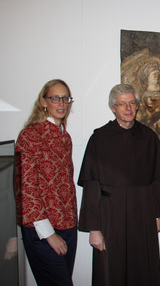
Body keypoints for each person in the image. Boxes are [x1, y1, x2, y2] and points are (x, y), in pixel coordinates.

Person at [78, 84, 160, 286]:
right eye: (122, 104)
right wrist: (94, 228)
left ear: (137, 106)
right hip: (110, 216)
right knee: (112, 271)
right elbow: (91, 186)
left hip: (143, 213)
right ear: (113, 108)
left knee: (143, 268)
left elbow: (157, 180)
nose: (128, 108)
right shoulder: (99, 139)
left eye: (132, 103)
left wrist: (158, 215)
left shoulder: (149, 137)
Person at [15, 79, 77, 286]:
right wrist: (49, 234)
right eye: (55, 98)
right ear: (44, 102)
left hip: (68, 226)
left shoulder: (65, 137)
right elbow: (27, 188)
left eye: (65, 98)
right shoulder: (30, 136)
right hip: (42, 230)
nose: (61, 103)